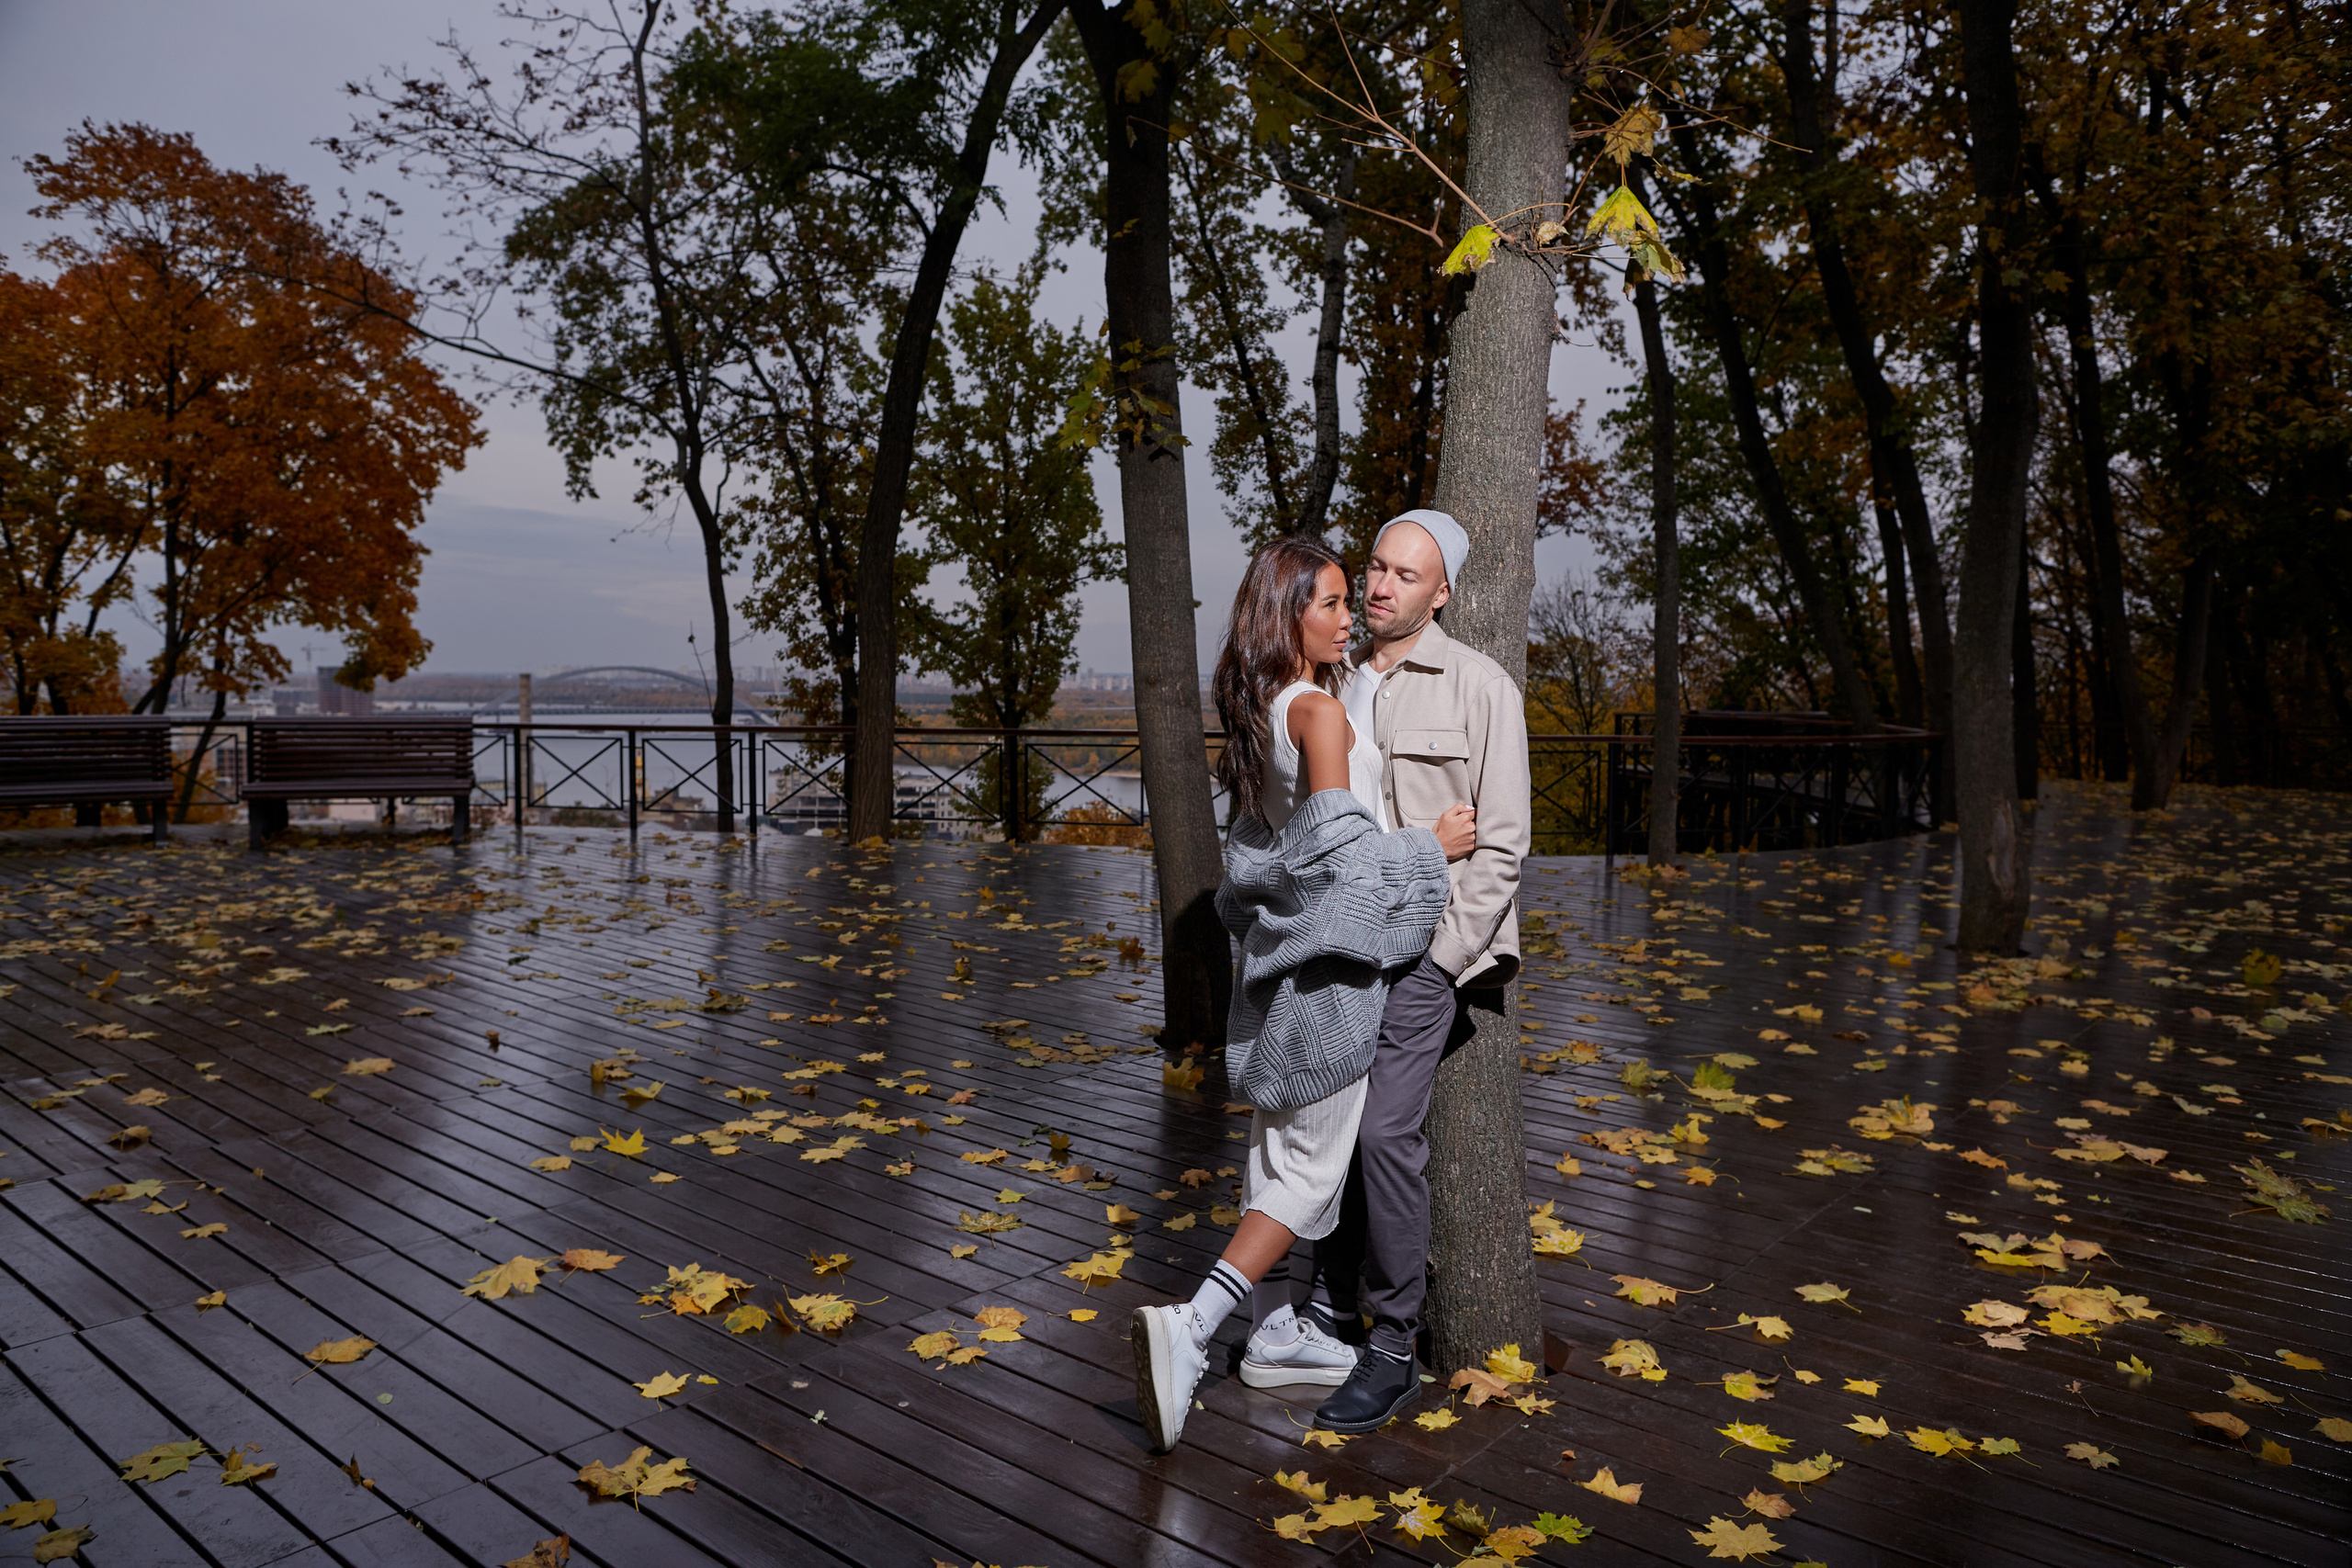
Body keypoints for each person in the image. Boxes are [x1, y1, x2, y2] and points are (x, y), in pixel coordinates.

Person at [1128, 536, 1476, 1455]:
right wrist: (1427, 849)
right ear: (1288, 616)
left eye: (1343, 599)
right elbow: (1343, 865)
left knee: (1278, 1160)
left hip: (1286, 982)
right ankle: (1195, 1326)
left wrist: (1358, 680)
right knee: (1304, 1177)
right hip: (1332, 987)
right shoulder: (1316, 714)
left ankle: (1282, 1338)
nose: (1346, 614)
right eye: (1326, 603)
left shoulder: (1269, 710)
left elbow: (1277, 842)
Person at [1307, 508, 1532, 1433]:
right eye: (1375, 567)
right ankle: (1323, 1307)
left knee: (1383, 1136)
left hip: (1431, 952)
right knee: (1323, 1119)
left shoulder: (1481, 688)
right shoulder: (1342, 687)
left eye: (1405, 574)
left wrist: (1440, 961)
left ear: (1440, 593)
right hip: (1347, 940)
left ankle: (1392, 1344)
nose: (1381, 584)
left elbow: (1505, 842)